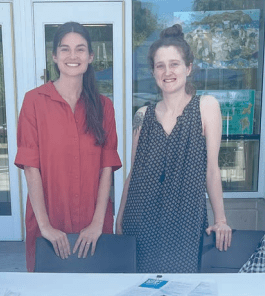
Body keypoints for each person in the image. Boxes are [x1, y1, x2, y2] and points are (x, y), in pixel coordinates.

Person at [116, 24, 232, 273]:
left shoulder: (206, 107)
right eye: (160, 65)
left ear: (188, 68)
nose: (167, 72)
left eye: (174, 64)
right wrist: (120, 217)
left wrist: (220, 220)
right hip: (140, 221)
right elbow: (133, 174)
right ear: (153, 72)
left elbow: (212, 170)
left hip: (186, 223)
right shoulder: (142, 115)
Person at [15, 22, 122, 272]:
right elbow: (31, 167)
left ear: (91, 56)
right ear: (54, 56)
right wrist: (45, 227)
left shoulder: (103, 106)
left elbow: (107, 167)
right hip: (50, 223)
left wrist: (97, 223)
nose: (72, 56)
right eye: (65, 49)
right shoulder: (34, 101)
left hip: (93, 226)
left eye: (80, 49)